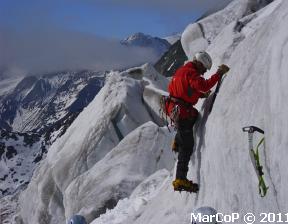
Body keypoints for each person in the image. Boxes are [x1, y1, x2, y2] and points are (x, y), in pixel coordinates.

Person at [165, 51, 230, 192]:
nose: (204, 72)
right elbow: (204, 85)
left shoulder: (183, 70)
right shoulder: (191, 73)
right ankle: (180, 179)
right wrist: (219, 73)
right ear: (200, 64)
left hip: (174, 108)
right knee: (187, 146)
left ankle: (177, 140)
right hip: (181, 112)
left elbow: (185, 89)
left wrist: (200, 95)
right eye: (204, 69)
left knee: (193, 115)